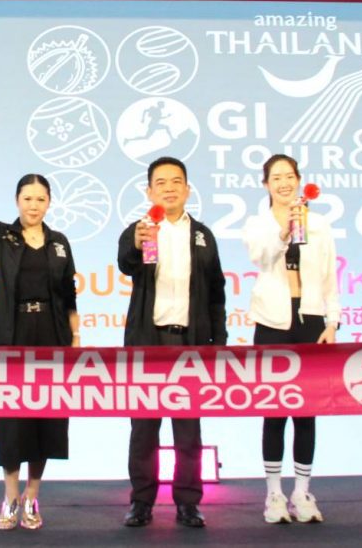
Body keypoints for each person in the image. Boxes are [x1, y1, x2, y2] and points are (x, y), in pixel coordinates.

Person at [0, 164, 80, 531]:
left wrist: (75, 338)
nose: (34, 205)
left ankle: (32, 496)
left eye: (40, 199)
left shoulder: (59, 242)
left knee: (46, 417)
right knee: (11, 419)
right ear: (17, 201)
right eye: (27, 198)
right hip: (11, 335)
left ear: (49, 202)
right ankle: (10, 496)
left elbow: (69, 294)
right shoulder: (2, 236)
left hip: (52, 335)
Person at [117, 156, 226, 529]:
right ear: (149, 191)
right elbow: (126, 264)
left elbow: (216, 293)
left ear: (188, 189)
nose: (169, 188)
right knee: (143, 429)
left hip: (190, 343)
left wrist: (218, 342)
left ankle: (188, 503)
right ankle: (141, 501)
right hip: (148, 343)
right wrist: (136, 244)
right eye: (160, 183)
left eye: (176, 181)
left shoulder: (203, 235)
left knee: (188, 430)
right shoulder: (140, 230)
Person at [242, 153, 340, 524]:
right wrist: (284, 230)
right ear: (266, 185)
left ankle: (302, 491)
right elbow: (260, 257)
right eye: (276, 178)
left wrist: (333, 321)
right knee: (274, 410)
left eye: (289, 176)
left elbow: (329, 276)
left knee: (306, 411)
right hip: (271, 322)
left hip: (311, 321)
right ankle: (274, 494)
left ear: (299, 180)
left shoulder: (320, 224)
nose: (284, 183)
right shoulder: (258, 224)